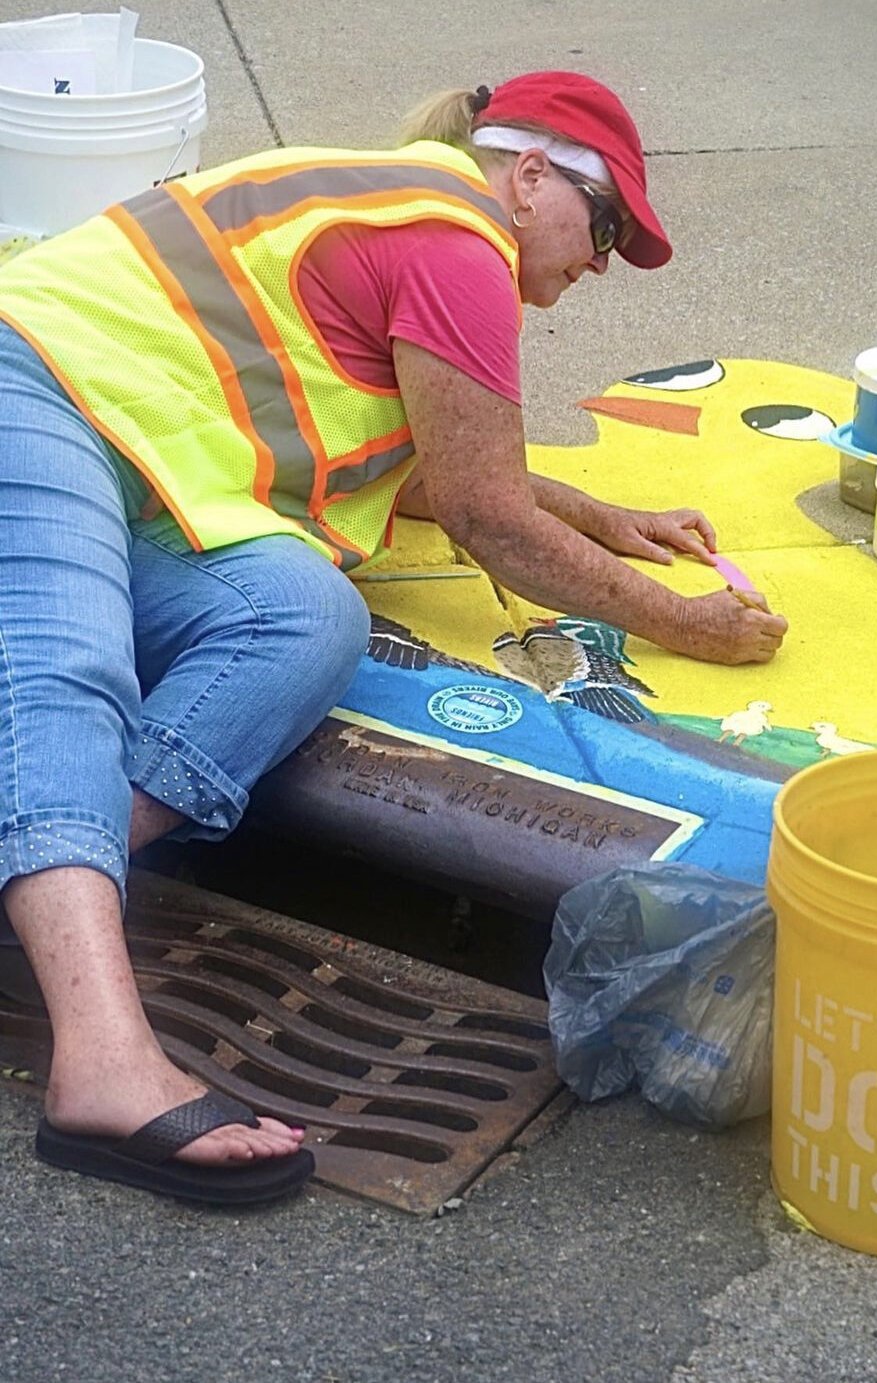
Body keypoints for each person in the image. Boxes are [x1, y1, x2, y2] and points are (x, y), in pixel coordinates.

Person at [0, 69, 788, 1206]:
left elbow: (427, 472)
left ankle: (53, 859)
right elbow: (483, 515)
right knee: (64, 670)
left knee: (308, 614)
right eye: (603, 220)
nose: (603, 258)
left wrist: (608, 519)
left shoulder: (412, 216)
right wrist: (688, 625)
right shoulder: (452, 236)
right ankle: (104, 1062)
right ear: (527, 176)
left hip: (135, 465)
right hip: (29, 384)